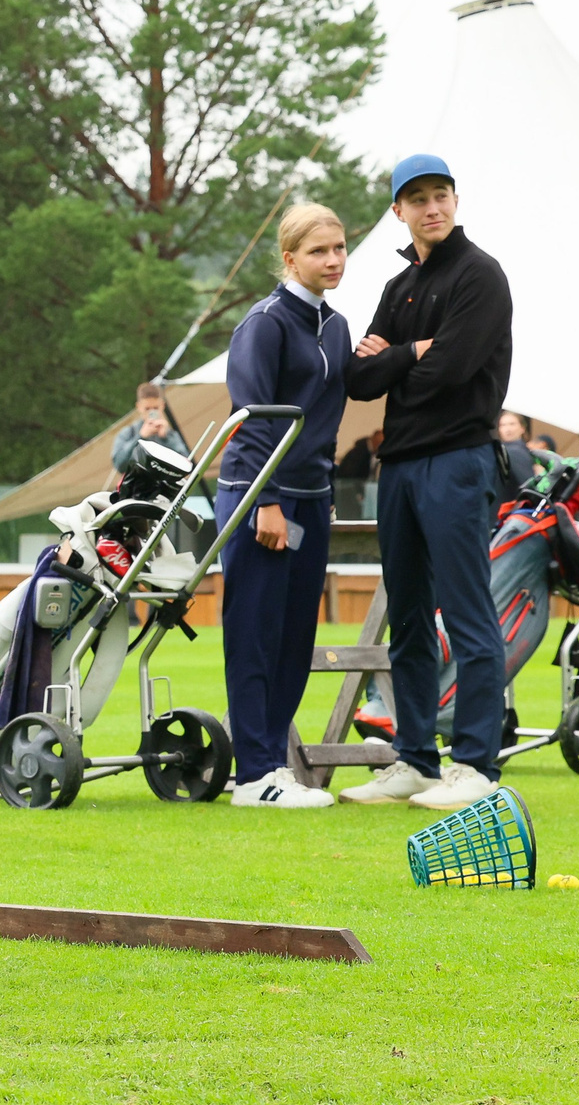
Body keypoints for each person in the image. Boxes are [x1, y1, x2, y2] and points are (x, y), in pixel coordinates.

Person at [337, 154, 516, 811]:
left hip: (460, 459)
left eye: (440, 195)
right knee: (408, 617)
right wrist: (412, 352)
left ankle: (473, 766)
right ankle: (414, 759)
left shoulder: (481, 276)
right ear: (398, 211)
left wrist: (397, 360)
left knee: (468, 613)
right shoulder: (396, 286)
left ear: (455, 200)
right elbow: (357, 381)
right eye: (417, 199)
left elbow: (453, 370)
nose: (431, 207)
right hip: (402, 466)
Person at [216, 204, 350, 809]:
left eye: (340, 248)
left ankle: (269, 763)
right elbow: (250, 419)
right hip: (260, 501)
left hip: (313, 501)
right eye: (319, 251)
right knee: (255, 635)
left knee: (295, 639)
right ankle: (255, 775)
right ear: (290, 258)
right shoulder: (265, 323)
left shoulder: (338, 326)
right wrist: (264, 502)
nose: (333, 260)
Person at [112, 380, 189, 482]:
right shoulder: (128, 433)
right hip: (135, 491)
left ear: (162, 405)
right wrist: (140, 437)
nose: (151, 413)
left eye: (155, 408)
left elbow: (185, 465)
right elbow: (120, 465)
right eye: (147, 409)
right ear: (139, 407)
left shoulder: (170, 435)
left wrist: (166, 438)